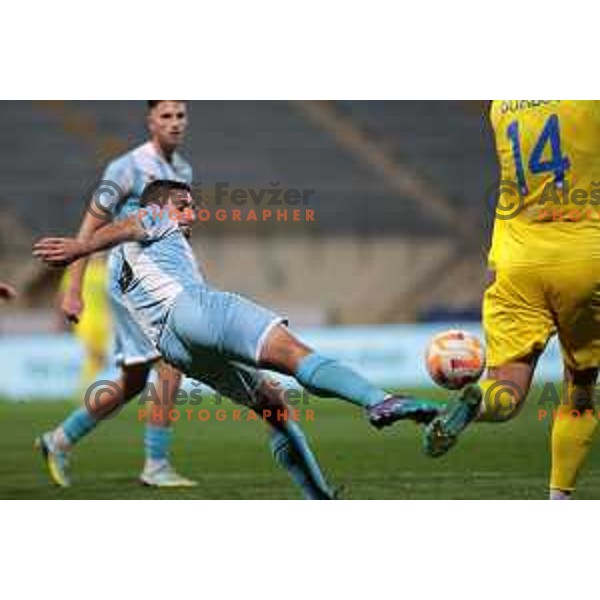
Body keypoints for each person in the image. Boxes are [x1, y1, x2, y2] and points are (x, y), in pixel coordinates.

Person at [33, 179, 453, 498]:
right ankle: (378, 400)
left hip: (175, 349)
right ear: (159, 207)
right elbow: (133, 221)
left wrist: (83, 252)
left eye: (193, 208)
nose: (192, 215)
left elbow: (123, 236)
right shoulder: (153, 219)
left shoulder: (121, 269)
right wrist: (79, 245)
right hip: (196, 309)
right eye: (184, 207)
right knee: (294, 355)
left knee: (272, 405)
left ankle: (319, 495)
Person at [423, 100, 600, 499]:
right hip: (584, 258)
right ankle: (559, 497)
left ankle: (478, 401)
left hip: (517, 263)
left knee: (506, 390)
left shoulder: (502, 107)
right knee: (582, 389)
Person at [56, 101, 197, 487]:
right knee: (172, 359)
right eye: (165, 116)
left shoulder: (182, 170)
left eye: (180, 115)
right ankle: (156, 465)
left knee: (134, 380)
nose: (174, 123)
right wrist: (74, 289)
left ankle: (58, 440)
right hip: (129, 279)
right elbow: (89, 228)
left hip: (162, 280)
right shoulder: (125, 168)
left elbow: (178, 234)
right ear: (150, 121)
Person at [58, 254, 111, 390]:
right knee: (92, 353)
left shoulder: (107, 271)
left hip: (104, 321)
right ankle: (85, 389)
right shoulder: (76, 271)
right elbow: (63, 295)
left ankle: (87, 386)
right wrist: (63, 317)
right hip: (84, 319)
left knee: (100, 359)